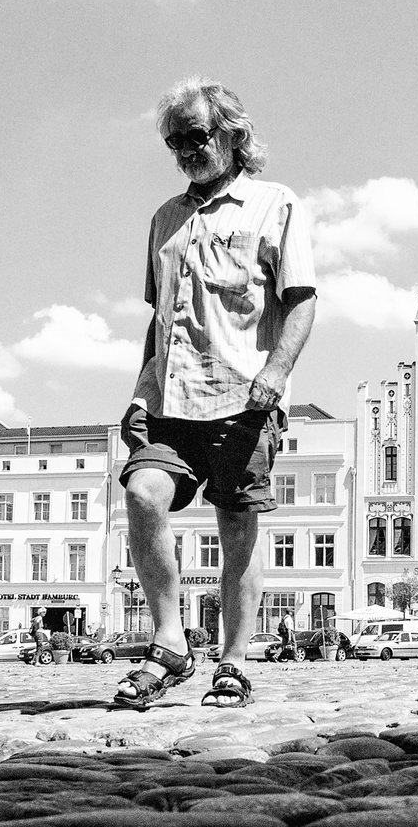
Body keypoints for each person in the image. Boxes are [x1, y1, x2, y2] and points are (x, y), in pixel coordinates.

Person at [115, 78, 318, 709]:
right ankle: (170, 643)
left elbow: (301, 301)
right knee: (143, 494)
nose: (185, 153)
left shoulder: (275, 204)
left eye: (195, 137)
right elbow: (159, 319)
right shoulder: (164, 219)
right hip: (172, 403)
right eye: (174, 143)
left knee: (237, 527)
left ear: (232, 132)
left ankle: (232, 661)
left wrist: (278, 372)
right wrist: (141, 390)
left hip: (243, 399)